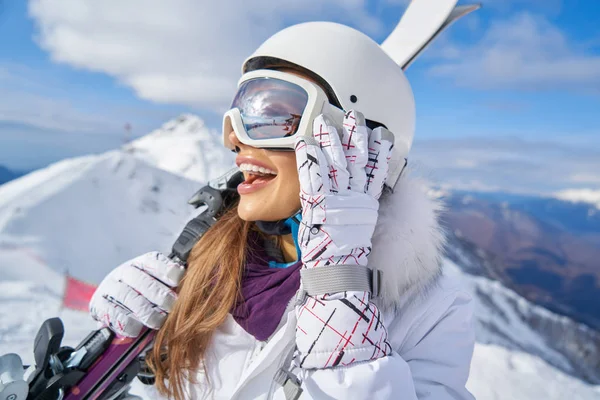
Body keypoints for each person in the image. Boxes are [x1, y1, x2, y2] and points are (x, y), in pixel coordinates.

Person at [90, 21, 475, 400]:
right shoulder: (209, 255)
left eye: (271, 116)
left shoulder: (432, 311)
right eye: (238, 111)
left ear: (353, 143)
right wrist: (138, 347)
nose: (233, 138)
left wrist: (339, 298)